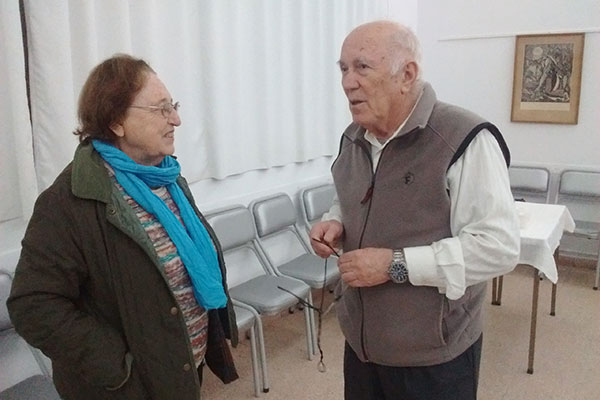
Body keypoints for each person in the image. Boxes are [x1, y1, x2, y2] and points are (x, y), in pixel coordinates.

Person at [7, 54, 238, 400]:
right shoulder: (67, 202)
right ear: (116, 122)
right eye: (161, 109)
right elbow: (33, 305)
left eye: (173, 106)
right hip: (126, 386)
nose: (176, 119)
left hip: (180, 370)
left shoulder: (167, 179)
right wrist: (118, 367)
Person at [310, 21, 520, 400]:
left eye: (362, 67)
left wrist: (394, 265)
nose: (348, 82)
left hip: (433, 357)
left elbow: (497, 247)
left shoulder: (464, 137)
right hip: (362, 344)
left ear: (406, 75)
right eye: (343, 69)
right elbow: (351, 195)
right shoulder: (354, 138)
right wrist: (335, 221)